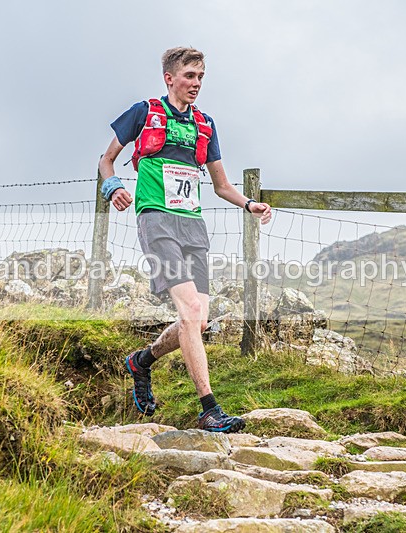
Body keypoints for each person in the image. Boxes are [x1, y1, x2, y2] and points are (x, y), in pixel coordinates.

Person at [99, 47, 272, 433]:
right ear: (170, 78)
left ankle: (141, 361)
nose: (195, 84)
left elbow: (222, 185)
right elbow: (106, 159)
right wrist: (113, 188)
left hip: (192, 224)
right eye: (189, 76)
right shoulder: (143, 112)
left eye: (200, 78)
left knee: (197, 319)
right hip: (156, 219)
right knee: (191, 309)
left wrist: (250, 204)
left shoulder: (205, 124)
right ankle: (209, 408)